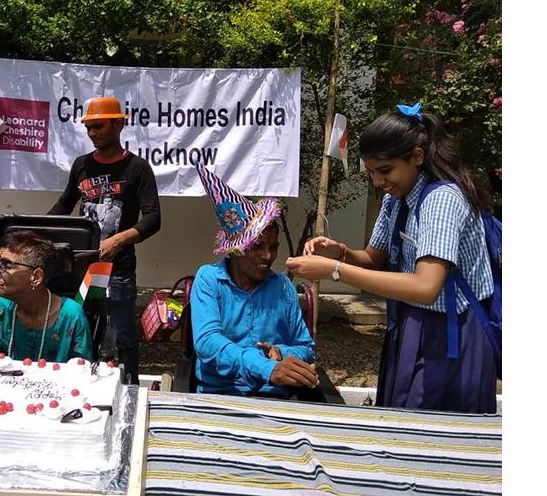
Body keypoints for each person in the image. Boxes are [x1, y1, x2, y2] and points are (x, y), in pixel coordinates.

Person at [286, 102, 496, 414]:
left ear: (417, 157)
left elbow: (426, 287)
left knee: (435, 426)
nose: (378, 181)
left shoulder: (441, 199)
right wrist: (339, 252)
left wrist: (334, 270)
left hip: (452, 333)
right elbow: (372, 258)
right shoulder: (395, 199)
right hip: (409, 324)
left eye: (385, 170)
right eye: (371, 172)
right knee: (401, 417)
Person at [48, 96, 161, 384]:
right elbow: (64, 204)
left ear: (118, 125)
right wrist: (41, 229)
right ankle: (80, 386)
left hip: (119, 270)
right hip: (81, 269)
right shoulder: (81, 165)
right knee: (80, 330)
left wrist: (117, 241)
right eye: (88, 127)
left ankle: (130, 387)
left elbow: (153, 219)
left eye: (98, 126)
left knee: (123, 335)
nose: (92, 133)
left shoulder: (137, 168)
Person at [191, 162, 318, 397]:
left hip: (273, 397)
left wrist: (280, 352)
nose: (268, 256)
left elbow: (306, 347)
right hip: (219, 394)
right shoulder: (209, 280)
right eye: (257, 247)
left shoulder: (282, 287)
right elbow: (207, 342)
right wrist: (265, 367)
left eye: (273, 247)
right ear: (236, 250)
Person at [0, 231, 93, 362]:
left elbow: (82, 369)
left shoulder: (71, 316)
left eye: (6, 265)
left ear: (36, 277)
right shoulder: (1, 307)